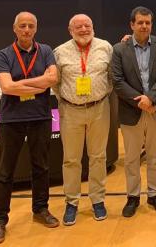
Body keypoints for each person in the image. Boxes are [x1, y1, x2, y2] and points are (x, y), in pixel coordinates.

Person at [0, 12, 60, 244]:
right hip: (11, 120)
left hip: (40, 117)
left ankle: (40, 209)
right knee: (5, 172)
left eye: (30, 26)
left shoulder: (45, 51)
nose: (26, 30)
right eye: (22, 26)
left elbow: (52, 80)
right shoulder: (3, 55)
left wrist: (19, 84)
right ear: (14, 29)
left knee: (41, 167)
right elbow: (6, 87)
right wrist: (36, 83)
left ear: (36, 28)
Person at [53, 14, 113, 225]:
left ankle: (98, 199)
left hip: (99, 108)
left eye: (87, 25)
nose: (84, 29)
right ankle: (72, 202)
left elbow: (112, 77)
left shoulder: (105, 47)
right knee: (71, 159)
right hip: (71, 110)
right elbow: (56, 83)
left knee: (98, 156)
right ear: (70, 30)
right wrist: (69, 102)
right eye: (78, 26)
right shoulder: (60, 52)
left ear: (93, 27)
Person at [112, 6, 156, 216]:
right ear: (132, 25)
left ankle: (155, 194)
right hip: (132, 110)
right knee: (131, 158)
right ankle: (133, 196)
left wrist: (151, 98)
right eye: (140, 22)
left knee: (154, 156)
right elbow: (117, 81)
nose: (144, 26)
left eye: (147, 22)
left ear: (151, 24)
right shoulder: (120, 49)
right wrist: (141, 101)